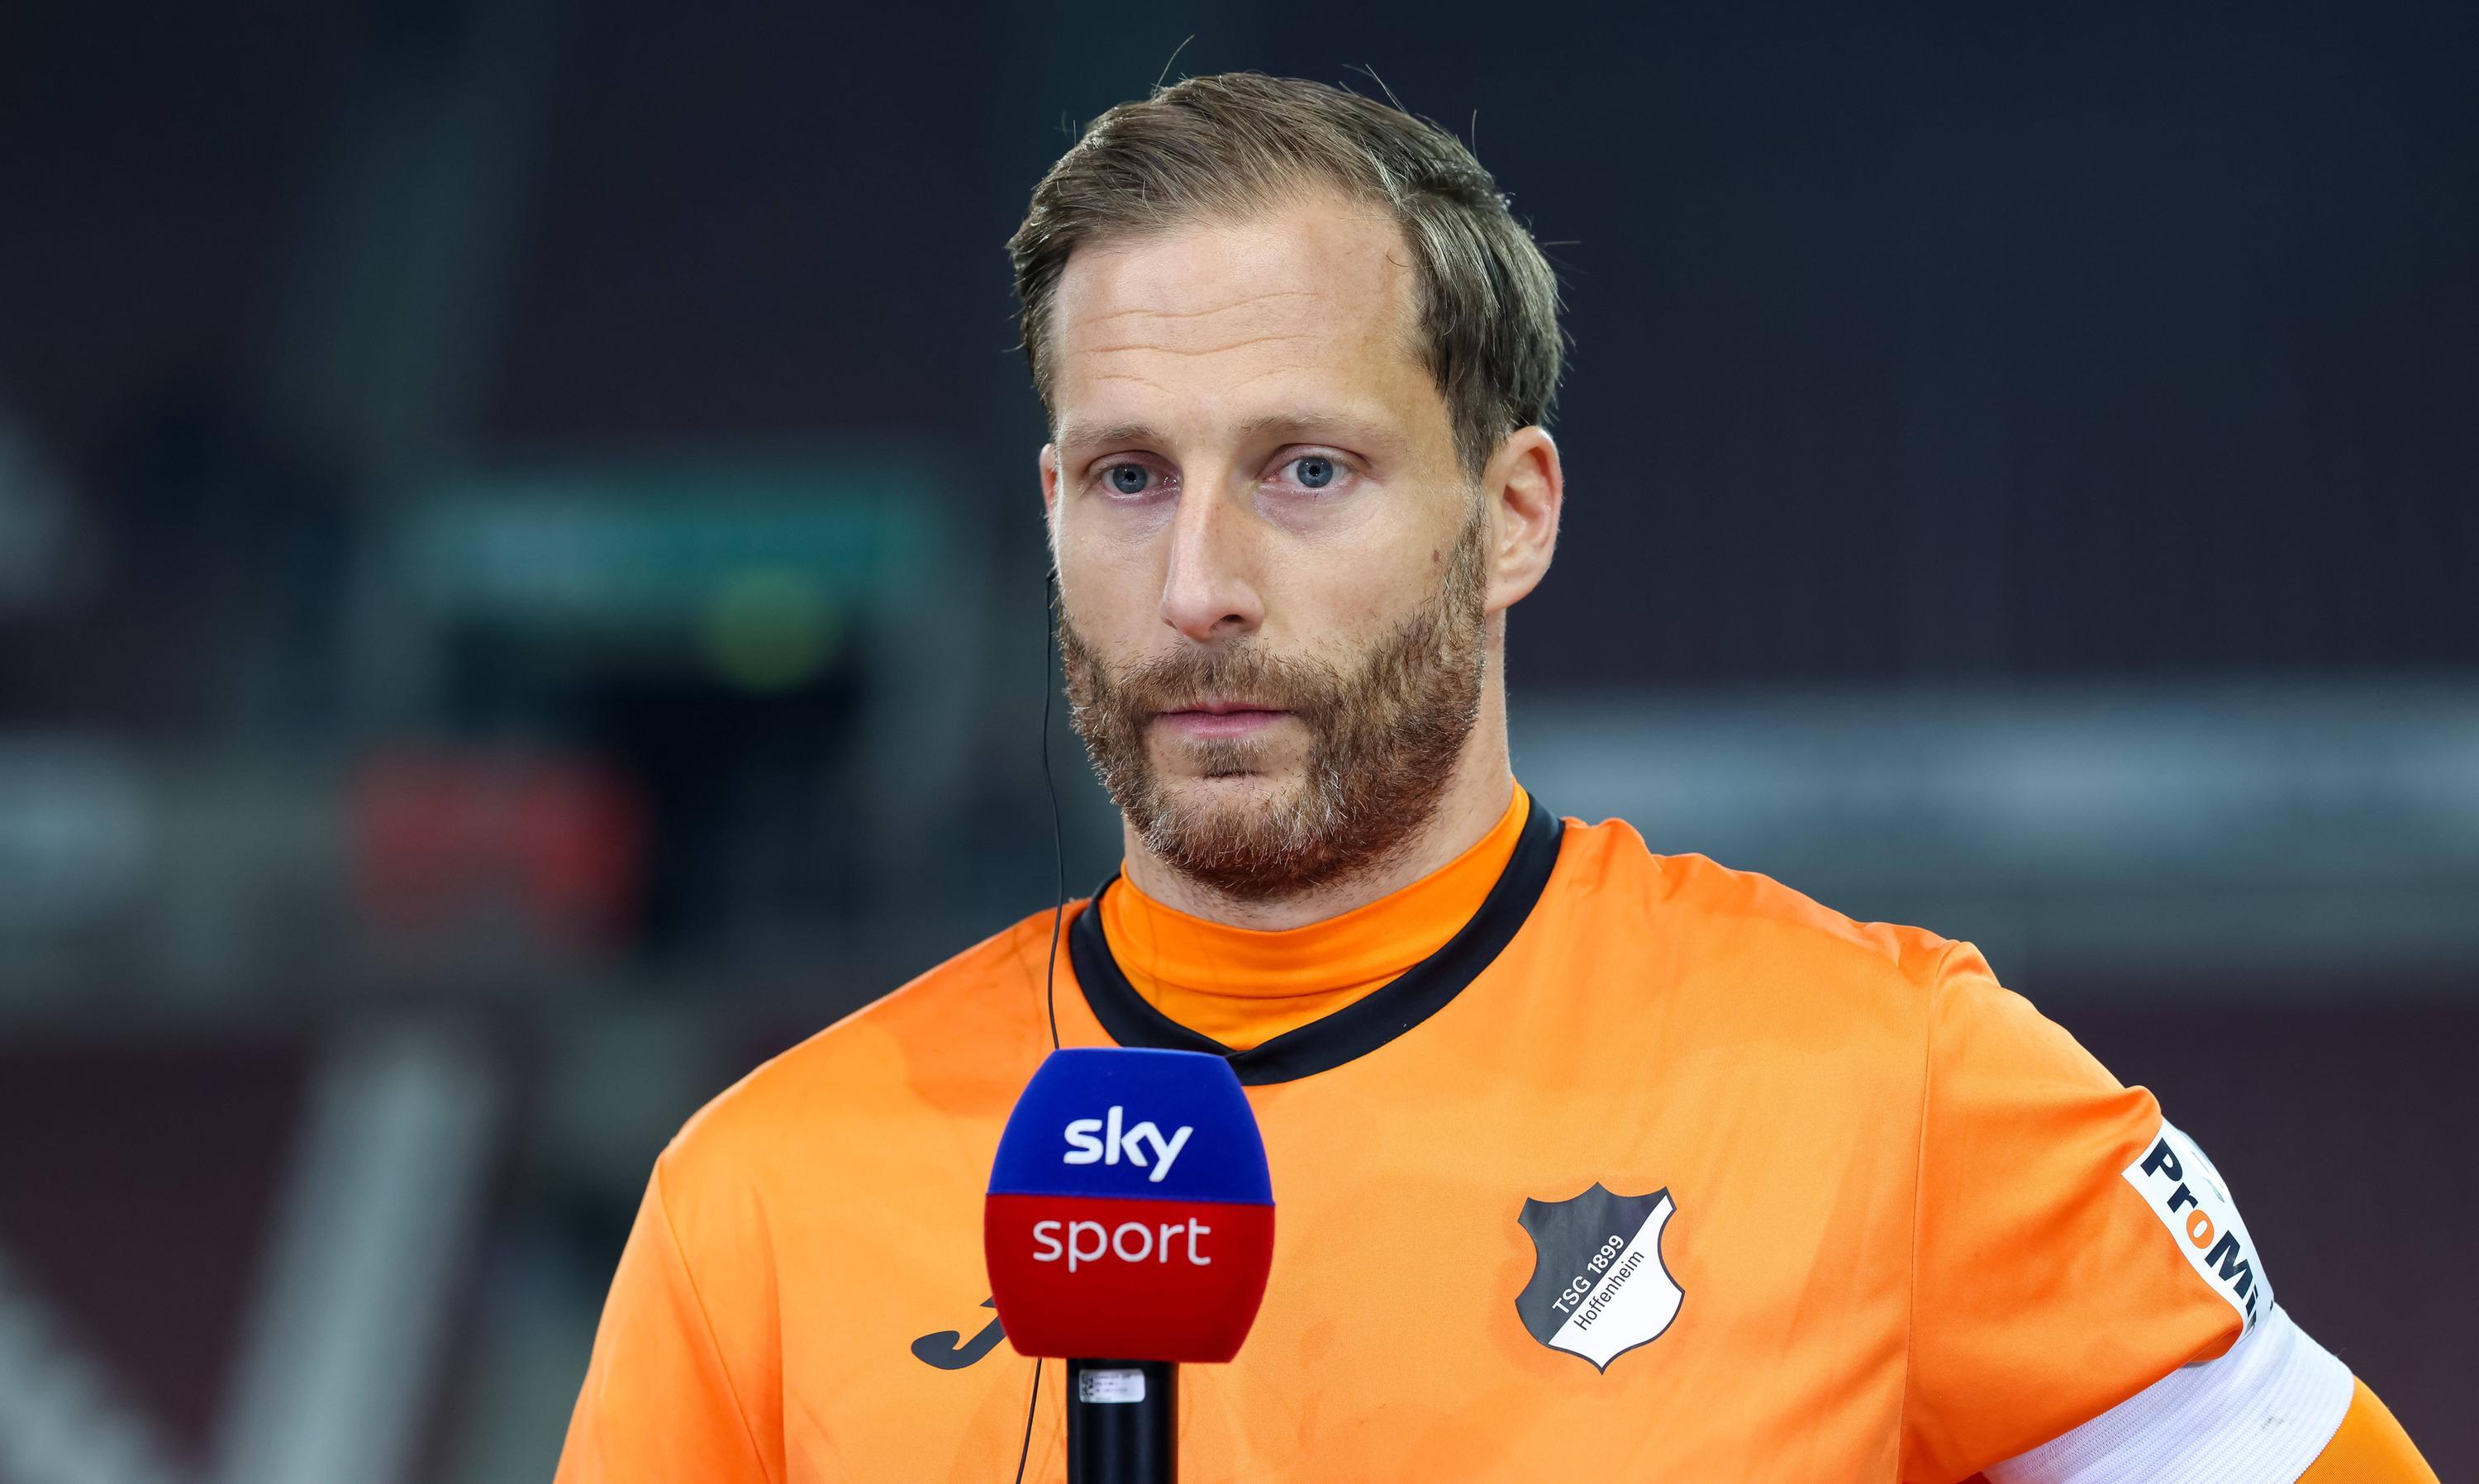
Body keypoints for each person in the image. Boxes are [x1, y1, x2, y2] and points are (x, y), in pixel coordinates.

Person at [554, 74, 2435, 1482]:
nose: (1199, 586)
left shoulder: (1898, 1084)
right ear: (1050, 511)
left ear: (1511, 514)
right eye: (1129, 478)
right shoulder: (763, 1197)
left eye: (1306, 470)